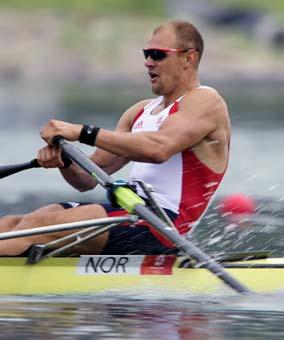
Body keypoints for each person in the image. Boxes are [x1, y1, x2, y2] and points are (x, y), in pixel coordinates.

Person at [0, 20, 231, 256]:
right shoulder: (139, 111)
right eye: (146, 54)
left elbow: (159, 148)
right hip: (129, 211)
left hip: (163, 225)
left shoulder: (206, 101)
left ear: (189, 58)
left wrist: (82, 132)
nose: (148, 62)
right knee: (12, 224)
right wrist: (66, 161)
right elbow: (85, 180)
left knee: (37, 228)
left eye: (157, 54)